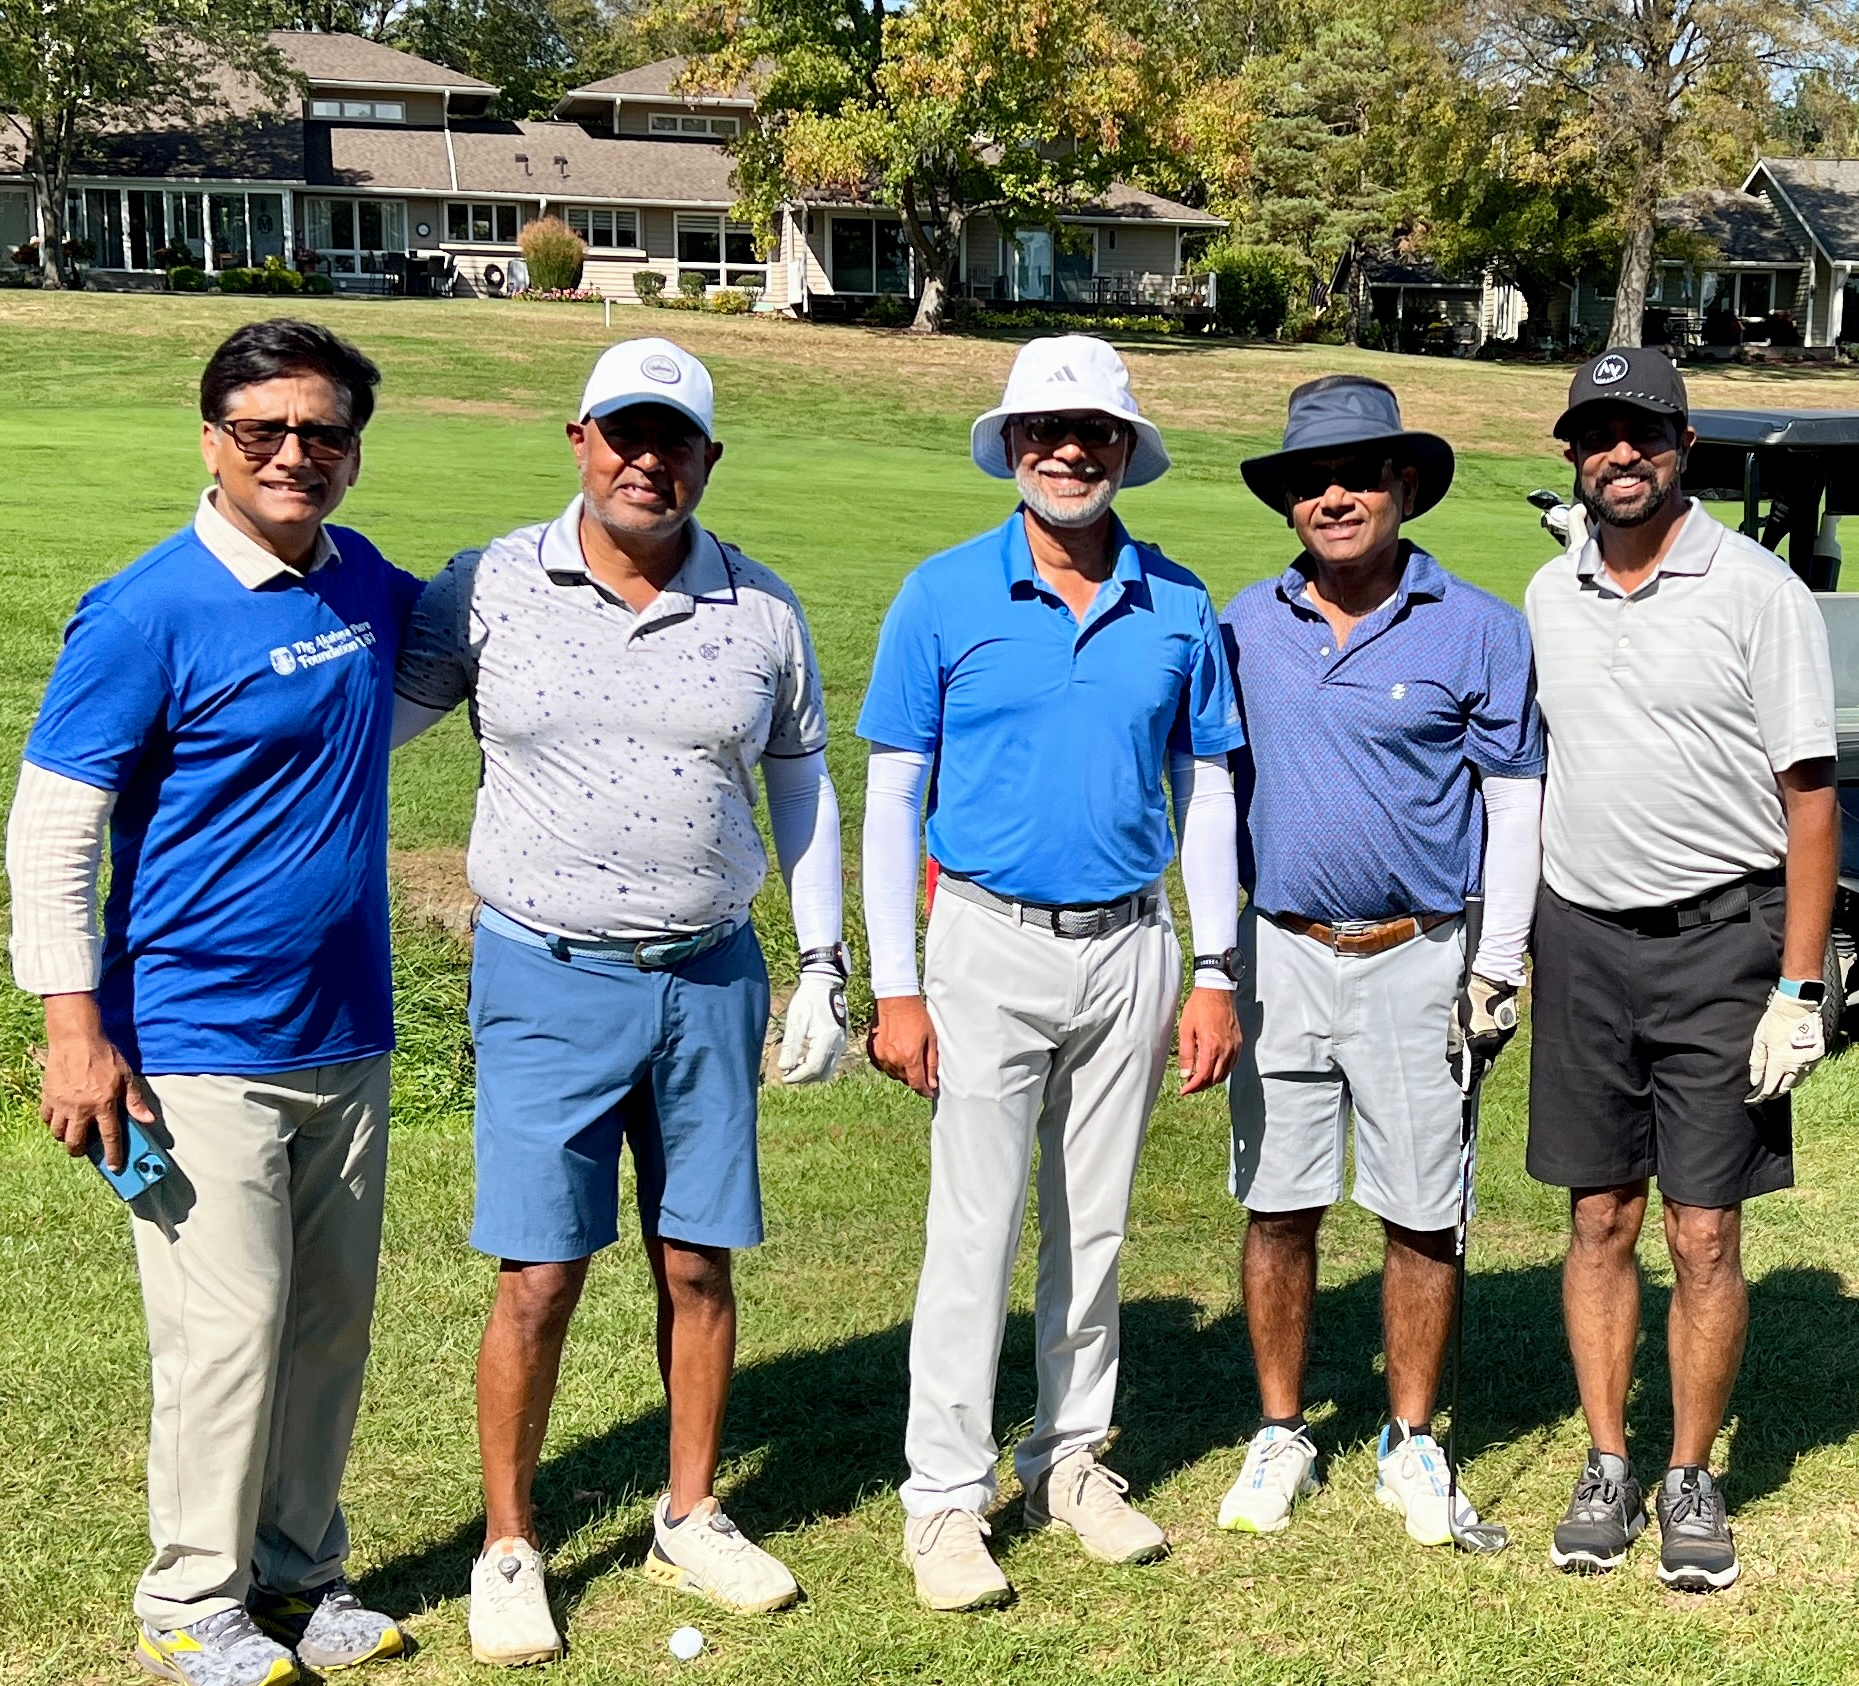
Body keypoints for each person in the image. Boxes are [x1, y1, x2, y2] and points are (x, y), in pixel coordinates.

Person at [392, 338, 848, 1665]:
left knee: (696, 1258)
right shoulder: (484, 586)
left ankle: (690, 1508)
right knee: (537, 1274)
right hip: (543, 972)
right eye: (623, 435)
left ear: (707, 457)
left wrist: (822, 964)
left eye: (676, 441)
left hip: (708, 973)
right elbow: (364, 730)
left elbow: (800, 786)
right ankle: (510, 1540)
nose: (647, 461)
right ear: (579, 440)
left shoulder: (759, 611)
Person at [5, 320, 420, 1686]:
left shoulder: (360, 582)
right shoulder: (145, 608)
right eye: (263, 430)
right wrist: (74, 1031)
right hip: (192, 1039)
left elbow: (428, 673)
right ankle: (191, 1597)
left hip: (345, 1027)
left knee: (326, 1322)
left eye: (322, 433)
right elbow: (56, 829)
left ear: (354, 452)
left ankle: (300, 1574)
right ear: (212, 440)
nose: (294, 453)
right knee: (223, 1332)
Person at [860, 335, 1247, 1611]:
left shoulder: (1178, 602)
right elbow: (890, 795)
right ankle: (944, 1498)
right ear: (1011, 447)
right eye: (1043, 432)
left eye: (1091, 432)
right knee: (971, 1229)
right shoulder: (940, 594)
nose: (1067, 451)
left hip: (1130, 944)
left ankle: (1069, 1458)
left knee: (1095, 1221)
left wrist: (1212, 965)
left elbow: (1203, 794)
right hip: (980, 940)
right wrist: (896, 982)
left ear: (1125, 450)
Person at [1525, 347, 1838, 1592]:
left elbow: (1807, 800)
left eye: (1640, 433)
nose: (1619, 455)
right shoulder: (1552, 595)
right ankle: (1606, 1458)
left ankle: (1688, 1471)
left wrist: (1797, 987)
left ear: (1680, 447)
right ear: (1573, 455)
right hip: (1583, 941)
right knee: (1597, 1216)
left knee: (1702, 1233)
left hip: (1722, 942)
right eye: (1596, 437)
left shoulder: (1757, 592)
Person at [1217, 375, 1544, 1548]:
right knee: (1278, 1201)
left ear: (1405, 485)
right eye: (1312, 480)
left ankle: (1410, 1439)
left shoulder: (1480, 627)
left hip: (1421, 955)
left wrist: (1497, 962)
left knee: (1420, 1212)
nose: (1336, 495)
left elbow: (1513, 802)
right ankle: (1278, 1428)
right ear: (1287, 502)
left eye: (1360, 474)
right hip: (1280, 952)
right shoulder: (1243, 626)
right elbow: (1206, 798)